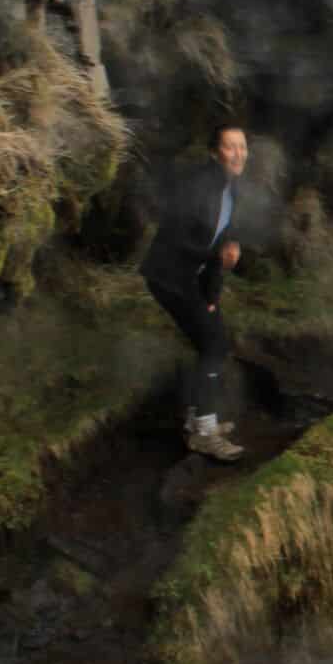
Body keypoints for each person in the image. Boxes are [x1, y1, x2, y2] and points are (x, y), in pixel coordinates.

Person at [142, 124, 248, 461]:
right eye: (230, 147)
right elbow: (176, 238)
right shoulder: (200, 186)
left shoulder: (230, 191)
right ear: (216, 152)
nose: (238, 154)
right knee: (214, 344)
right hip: (168, 276)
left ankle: (198, 418)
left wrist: (212, 297)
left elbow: (219, 245)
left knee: (213, 339)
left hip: (190, 278)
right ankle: (204, 430)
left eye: (242, 147)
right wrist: (215, 257)